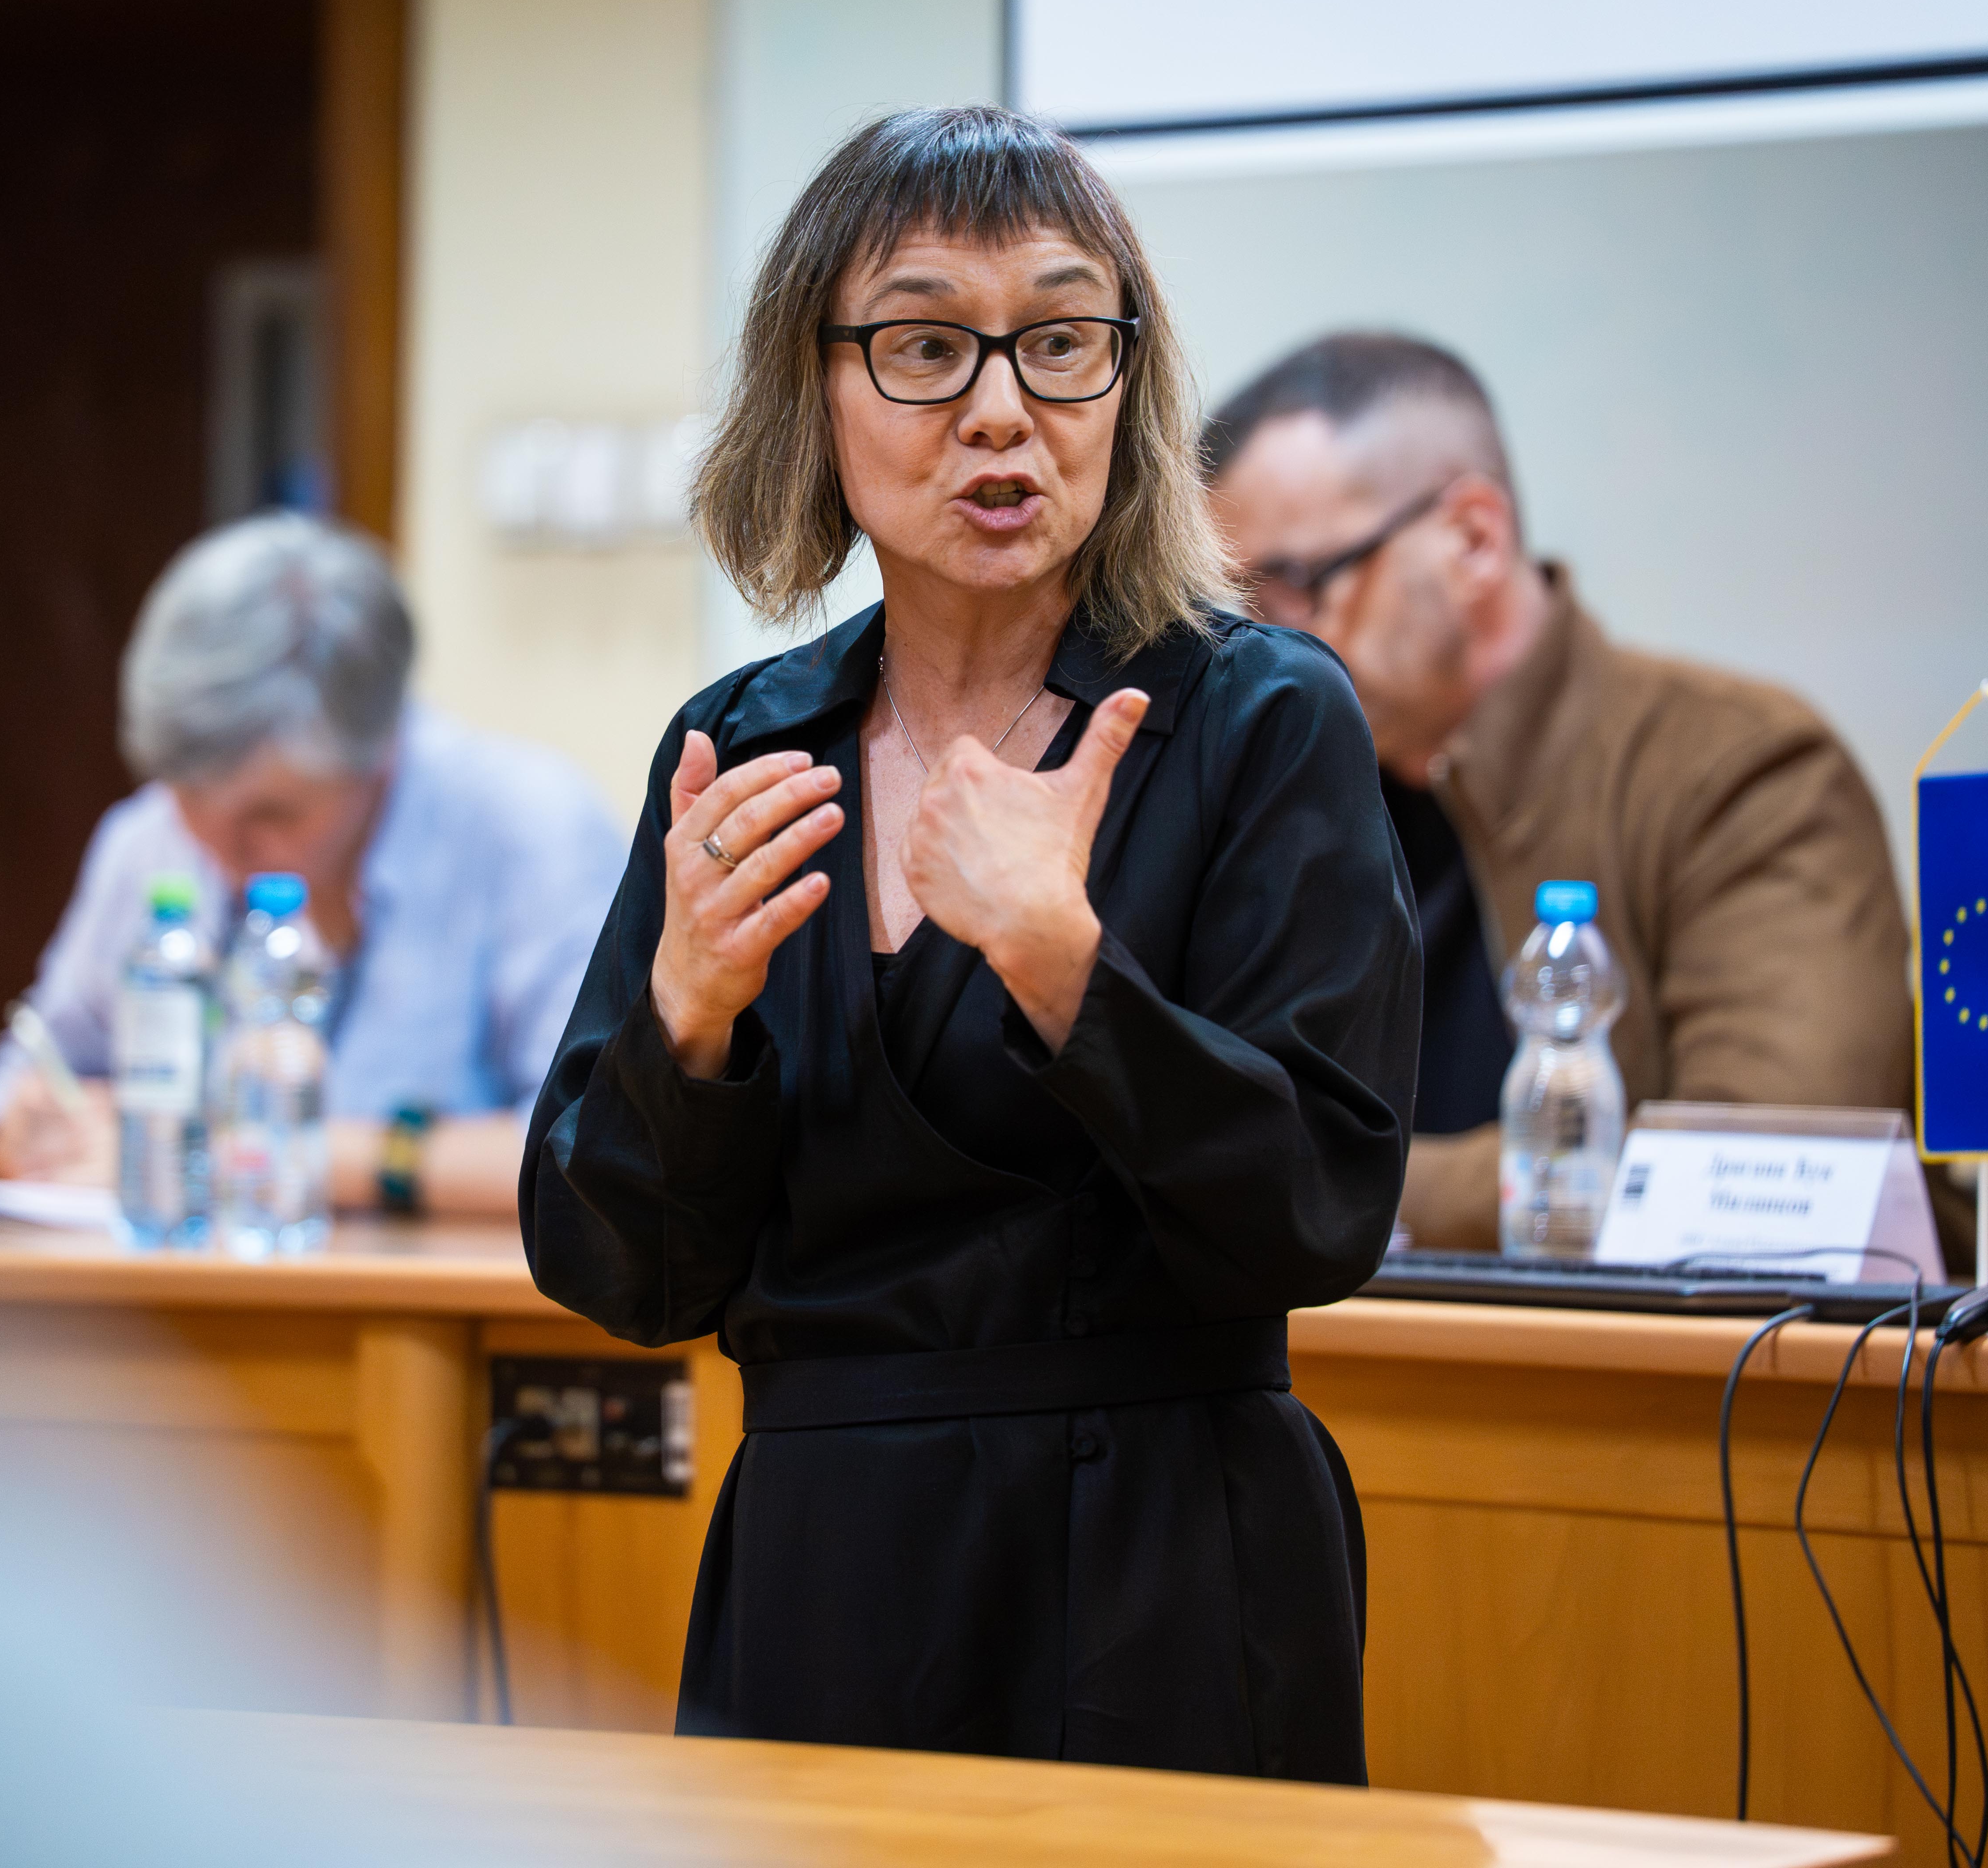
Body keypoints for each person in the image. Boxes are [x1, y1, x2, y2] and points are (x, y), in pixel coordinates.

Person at [522, 109, 1418, 1778]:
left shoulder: (1259, 715)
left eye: (1061, 343)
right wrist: (689, 1020)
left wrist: (1066, 968)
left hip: (1161, 1562)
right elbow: (617, 1274)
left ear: (1128, 383)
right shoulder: (746, 743)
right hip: (821, 1567)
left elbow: (1321, 1210)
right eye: (927, 348)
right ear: (816, 391)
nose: (1001, 410)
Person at [1201, 331, 1974, 1261]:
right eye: (1240, 613)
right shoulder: (1281, 794)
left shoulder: (1744, 770)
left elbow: (1765, 1171)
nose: (1266, 650)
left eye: (1296, 588)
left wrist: (1326, 1183)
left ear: (1474, 540)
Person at [0, 515, 624, 1217]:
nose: (222, 853)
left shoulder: (530, 831)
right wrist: (15, 1141)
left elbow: (601, 1152)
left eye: (273, 816)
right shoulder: (150, 839)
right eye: (190, 800)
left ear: (382, 750)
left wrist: (266, 1155)